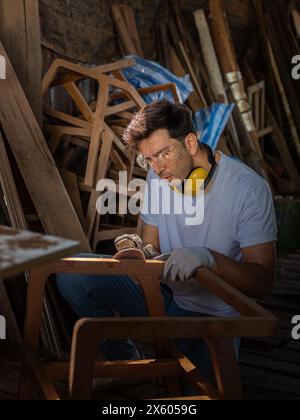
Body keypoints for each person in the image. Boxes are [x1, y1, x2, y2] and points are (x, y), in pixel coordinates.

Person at [56, 100, 277, 385]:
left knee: (204, 393)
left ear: (191, 142)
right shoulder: (157, 176)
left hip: (212, 318)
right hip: (164, 296)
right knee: (72, 277)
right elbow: (152, 249)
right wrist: (139, 253)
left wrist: (210, 258)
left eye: (163, 154)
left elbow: (263, 283)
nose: (157, 168)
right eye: (148, 159)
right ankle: (125, 361)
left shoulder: (248, 189)